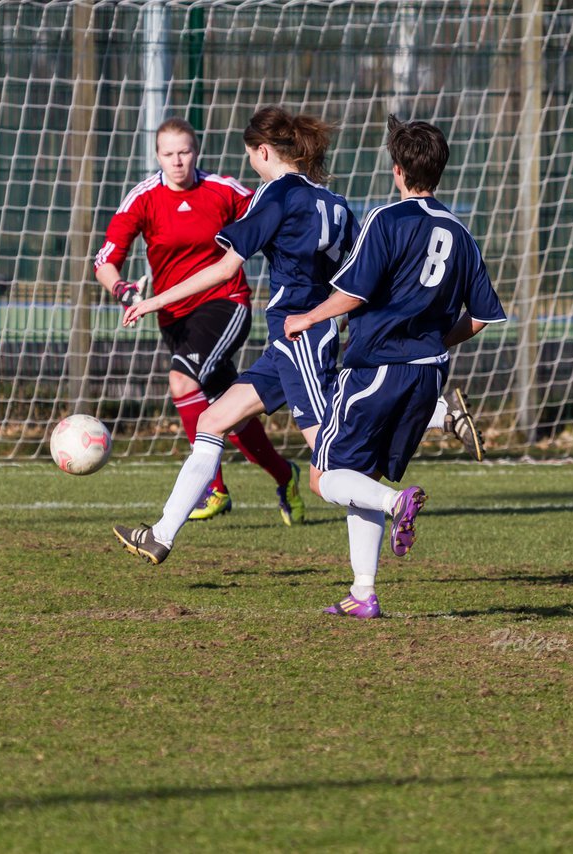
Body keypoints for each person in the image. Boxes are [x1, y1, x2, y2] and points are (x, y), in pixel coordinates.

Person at [113, 106, 358, 564]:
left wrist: (153, 301)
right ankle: (162, 534)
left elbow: (225, 268)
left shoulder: (275, 195)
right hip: (292, 342)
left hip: (298, 335)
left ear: (263, 151)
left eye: (250, 154)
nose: (250, 163)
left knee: (331, 463)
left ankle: (401, 486)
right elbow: (353, 277)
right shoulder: (336, 203)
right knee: (212, 421)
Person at [284, 115, 506, 618]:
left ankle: (395, 503)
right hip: (428, 376)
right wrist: (433, 342)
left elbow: (353, 292)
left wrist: (307, 316)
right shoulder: (461, 233)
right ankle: (364, 592)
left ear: (398, 170)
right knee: (362, 474)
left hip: (375, 369)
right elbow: (483, 317)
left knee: (325, 476)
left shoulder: (386, 220)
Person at [94, 117, 304, 524]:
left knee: (182, 382)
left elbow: (274, 214)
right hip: (173, 316)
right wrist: (123, 290)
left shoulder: (223, 190)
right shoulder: (143, 198)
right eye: (169, 154)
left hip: (225, 303)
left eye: (185, 152)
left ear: (197, 151)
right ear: (157, 156)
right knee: (232, 412)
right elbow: (105, 260)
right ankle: (285, 474)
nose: (178, 161)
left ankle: (214, 489)